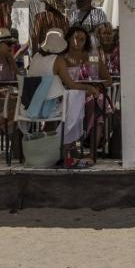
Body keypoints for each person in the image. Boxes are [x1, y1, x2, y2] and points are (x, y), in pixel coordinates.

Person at [27, 28, 101, 166]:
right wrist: (88, 88)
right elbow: (71, 84)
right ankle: (66, 146)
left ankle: (64, 147)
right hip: (49, 107)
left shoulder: (35, 58)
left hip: (30, 105)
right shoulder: (58, 60)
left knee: (71, 97)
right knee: (75, 97)